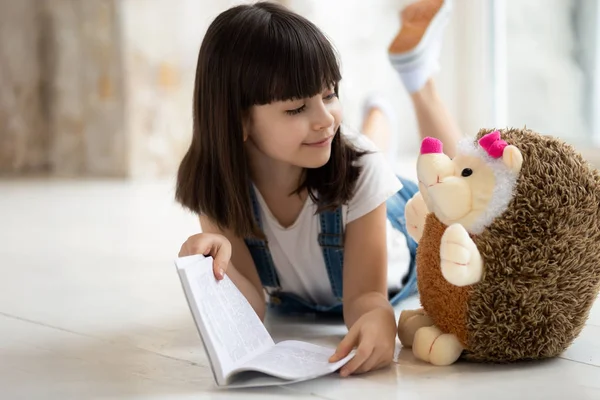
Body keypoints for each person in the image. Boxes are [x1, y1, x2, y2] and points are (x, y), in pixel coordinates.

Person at [176, 0, 462, 377]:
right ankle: (379, 118)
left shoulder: (361, 170)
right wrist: (208, 268)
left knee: (457, 190)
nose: (325, 119)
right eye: (297, 108)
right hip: (343, 167)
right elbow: (253, 309)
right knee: (359, 147)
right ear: (238, 120)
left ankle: (416, 79)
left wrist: (379, 319)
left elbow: (365, 297)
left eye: (329, 95)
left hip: (395, 227)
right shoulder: (219, 186)